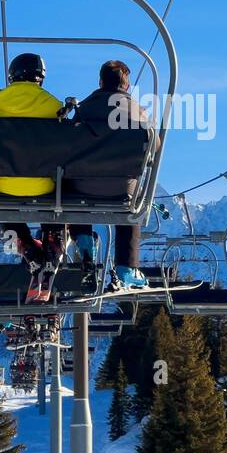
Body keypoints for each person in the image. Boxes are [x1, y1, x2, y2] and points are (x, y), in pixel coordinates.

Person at [66, 59, 152, 289]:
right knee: (134, 201)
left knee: (66, 189)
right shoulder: (138, 112)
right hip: (122, 189)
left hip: (82, 186)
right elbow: (154, 146)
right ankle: (126, 265)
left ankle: (84, 242)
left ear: (101, 81)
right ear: (126, 85)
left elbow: (67, 145)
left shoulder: (84, 109)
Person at [0, 52, 65, 300]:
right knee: (58, 207)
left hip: (3, 185)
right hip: (43, 185)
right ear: (40, 78)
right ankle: (53, 242)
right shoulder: (54, 106)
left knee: (5, 210)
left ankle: (27, 248)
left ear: (12, 77)